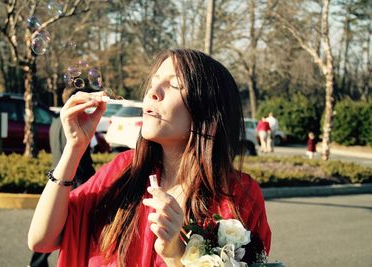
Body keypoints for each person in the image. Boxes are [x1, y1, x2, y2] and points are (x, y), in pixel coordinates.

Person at [28, 49, 271, 267]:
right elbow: (41, 240)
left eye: (174, 85)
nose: (153, 93)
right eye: (153, 83)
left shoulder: (240, 195)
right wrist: (74, 148)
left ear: (208, 109)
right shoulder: (122, 171)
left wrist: (175, 254)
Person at [28, 87, 96, 267]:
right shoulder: (77, 124)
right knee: (73, 228)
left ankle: (36, 263)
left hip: (57, 175)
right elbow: (83, 160)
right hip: (75, 179)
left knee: (52, 225)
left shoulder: (55, 122)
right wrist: (94, 178)